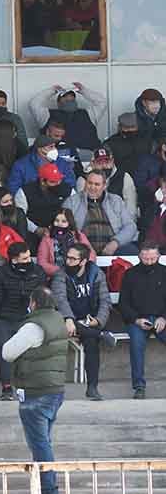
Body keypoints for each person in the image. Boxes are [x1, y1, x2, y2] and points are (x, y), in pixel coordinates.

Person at [0, 286, 68, 494]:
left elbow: (8, 352)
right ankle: (44, 489)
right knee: (44, 441)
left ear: (34, 303)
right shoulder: (58, 319)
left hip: (36, 391)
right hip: (55, 389)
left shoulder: (33, 326)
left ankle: (48, 492)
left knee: (39, 444)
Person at [0, 241, 48, 401]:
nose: (29, 261)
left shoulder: (38, 272)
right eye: (25, 259)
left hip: (29, 319)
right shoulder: (0, 273)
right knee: (5, 350)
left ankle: (30, 386)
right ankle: (7, 387)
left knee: (32, 350)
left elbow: (43, 299)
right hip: (5, 318)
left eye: (29, 257)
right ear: (14, 260)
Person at [53, 242, 114, 402]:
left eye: (73, 259)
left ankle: (92, 387)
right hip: (67, 321)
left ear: (83, 261)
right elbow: (60, 299)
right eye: (67, 258)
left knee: (91, 342)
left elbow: (105, 301)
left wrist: (99, 320)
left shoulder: (96, 273)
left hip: (89, 322)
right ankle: (101, 335)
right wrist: (68, 318)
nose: (68, 262)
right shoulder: (61, 275)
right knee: (91, 334)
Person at [118, 242, 166, 399]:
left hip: (161, 319)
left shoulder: (164, 272)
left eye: (153, 259)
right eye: (146, 259)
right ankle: (139, 386)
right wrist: (136, 319)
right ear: (140, 256)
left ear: (158, 256)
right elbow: (123, 303)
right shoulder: (130, 274)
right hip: (137, 320)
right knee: (136, 345)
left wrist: (163, 318)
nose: (150, 262)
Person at [63, 170, 139, 256]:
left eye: (97, 184)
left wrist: (115, 242)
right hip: (83, 248)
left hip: (112, 247)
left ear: (104, 185)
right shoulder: (72, 201)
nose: (92, 187)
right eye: (90, 183)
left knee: (133, 251)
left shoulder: (116, 200)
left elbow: (130, 226)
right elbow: (63, 227)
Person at [28, 83, 105, 154]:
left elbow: (102, 102)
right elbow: (34, 104)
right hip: (58, 158)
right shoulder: (46, 115)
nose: (69, 102)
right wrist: (53, 90)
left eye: (72, 100)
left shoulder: (89, 114)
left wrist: (83, 90)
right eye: (66, 99)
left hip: (89, 157)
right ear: (58, 102)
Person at [14, 162, 74, 239]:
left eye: (59, 180)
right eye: (52, 181)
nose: (57, 183)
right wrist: (36, 229)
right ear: (42, 181)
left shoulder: (66, 188)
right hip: (34, 233)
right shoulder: (25, 192)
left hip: (62, 230)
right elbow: (20, 216)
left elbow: (75, 207)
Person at [75, 146, 138, 219]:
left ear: (112, 161)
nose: (104, 166)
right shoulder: (83, 180)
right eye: (100, 163)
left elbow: (131, 209)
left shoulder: (124, 177)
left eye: (107, 162)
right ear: (93, 164)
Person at [35, 207, 95, 277]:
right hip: (56, 276)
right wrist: (60, 271)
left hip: (79, 274)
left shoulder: (78, 235)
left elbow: (91, 255)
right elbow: (42, 263)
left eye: (64, 221)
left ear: (69, 222)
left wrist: (81, 268)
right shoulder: (47, 238)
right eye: (57, 220)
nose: (59, 224)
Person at [8, 136, 77, 196]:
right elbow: (14, 189)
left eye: (54, 146)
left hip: (58, 199)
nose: (54, 150)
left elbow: (70, 182)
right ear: (40, 149)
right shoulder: (21, 165)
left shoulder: (61, 162)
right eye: (51, 147)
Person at [106, 112, 153, 179]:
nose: (129, 130)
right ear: (120, 127)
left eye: (132, 127)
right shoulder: (111, 143)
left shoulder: (146, 140)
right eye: (126, 127)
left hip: (145, 179)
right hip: (121, 179)